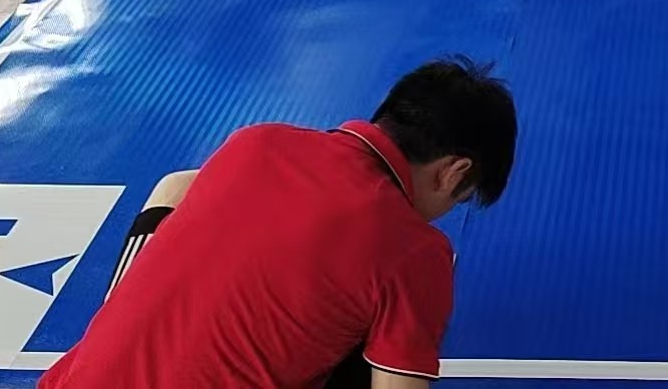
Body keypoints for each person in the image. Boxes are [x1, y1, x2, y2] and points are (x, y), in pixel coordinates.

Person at [41, 57, 517, 389]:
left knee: (176, 195)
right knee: (375, 332)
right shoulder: (417, 251)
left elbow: (175, 187)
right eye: (462, 197)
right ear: (454, 172)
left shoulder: (257, 141)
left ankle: (105, 338)